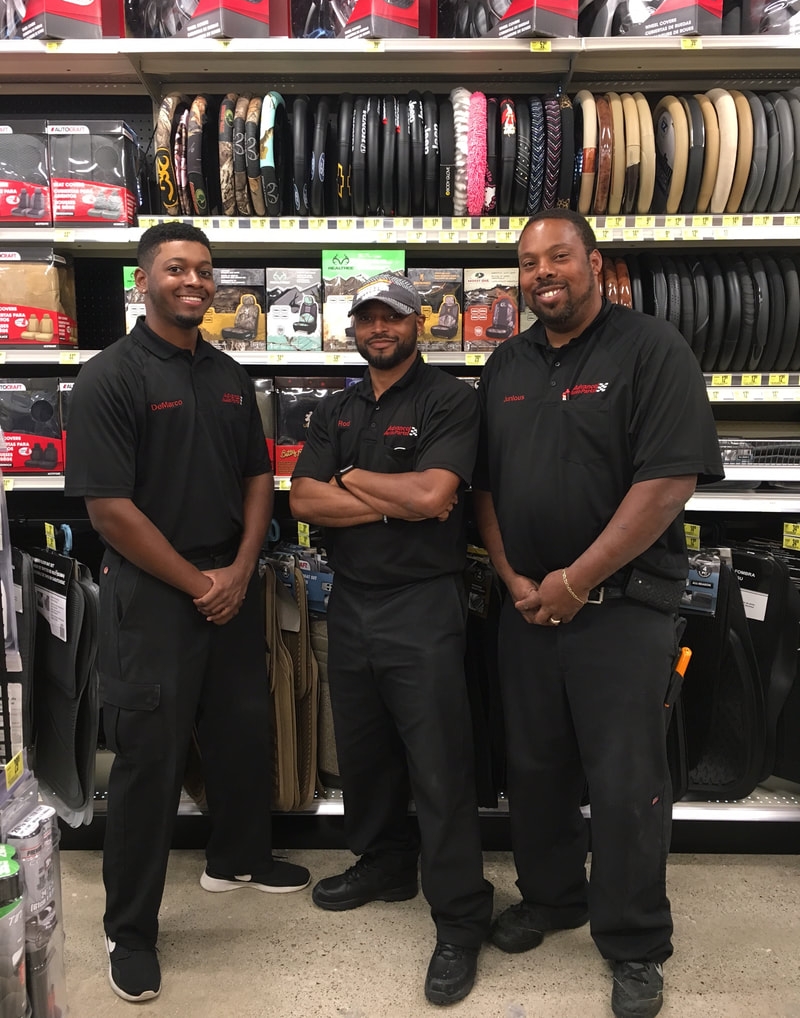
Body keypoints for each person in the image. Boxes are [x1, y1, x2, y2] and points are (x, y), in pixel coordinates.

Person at [473, 210, 723, 1018]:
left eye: (559, 257)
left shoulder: (652, 349)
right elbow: (485, 487)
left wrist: (576, 581)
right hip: (525, 609)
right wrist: (512, 576)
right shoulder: (505, 364)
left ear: (594, 262)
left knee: (625, 784)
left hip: (622, 609)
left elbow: (668, 483)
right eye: (529, 263)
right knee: (534, 770)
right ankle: (552, 898)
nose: (543, 273)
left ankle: (635, 940)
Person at [64, 221, 309, 1003]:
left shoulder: (230, 375)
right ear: (143, 281)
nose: (194, 281)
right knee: (149, 762)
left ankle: (238, 858)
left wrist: (239, 568)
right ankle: (129, 930)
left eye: (204, 269)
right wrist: (199, 583)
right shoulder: (109, 377)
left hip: (230, 580)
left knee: (241, 728)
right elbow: (109, 510)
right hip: (154, 593)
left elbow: (258, 477)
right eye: (176, 269)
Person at [290, 272, 493, 1006]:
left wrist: (350, 480)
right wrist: (386, 500)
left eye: (394, 317)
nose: (380, 328)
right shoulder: (335, 408)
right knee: (365, 750)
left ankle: (461, 917)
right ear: (353, 328)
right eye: (367, 318)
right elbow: (302, 498)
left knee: (439, 764)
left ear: (419, 325)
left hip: (423, 604)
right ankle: (384, 863)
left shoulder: (450, 400)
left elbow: (435, 496)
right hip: (351, 601)